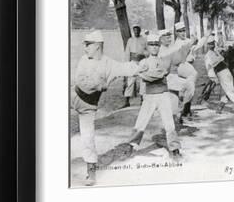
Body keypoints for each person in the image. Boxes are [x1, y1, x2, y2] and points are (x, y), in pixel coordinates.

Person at [72, 30, 140, 186]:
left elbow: (126, 68)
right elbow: (81, 82)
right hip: (73, 97)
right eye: (85, 44)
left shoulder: (109, 63)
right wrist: (101, 85)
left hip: (88, 107)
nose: (85, 48)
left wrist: (141, 66)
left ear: (97, 46)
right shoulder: (84, 59)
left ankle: (91, 172)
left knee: (87, 137)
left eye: (88, 44)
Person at [127, 34, 182, 158]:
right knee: (141, 122)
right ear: (147, 46)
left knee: (169, 123)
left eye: (156, 45)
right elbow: (136, 73)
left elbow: (159, 75)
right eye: (151, 45)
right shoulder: (144, 61)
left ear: (159, 46)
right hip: (150, 96)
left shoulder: (164, 60)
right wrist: (145, 74)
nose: (154, 47)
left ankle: (175, 149)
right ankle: (131, 146)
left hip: (163, 94)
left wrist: (144, 75)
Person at [204, 36, 234, 114]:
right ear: (207, 45)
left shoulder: (216, 52)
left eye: (213, 43)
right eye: (210, 44)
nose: (212, 45)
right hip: (221, 74)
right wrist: (214, 78)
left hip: (227, 72)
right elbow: (209, 69)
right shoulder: (208, 56)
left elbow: (223, 59)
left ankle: (220, 107)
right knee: (232, 91)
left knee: (230, 91)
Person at [123, 24, 148, 106]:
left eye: (137, 30)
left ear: (140, 31)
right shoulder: (130, 40)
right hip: (133, 62)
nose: (136, 32)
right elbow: (127, 52)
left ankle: (142, 100)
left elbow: (148, 51)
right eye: (134, 30)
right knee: (130, 81)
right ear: (133, 31)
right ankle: (127, 101)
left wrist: (143, 54)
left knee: (143, 81)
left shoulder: (144, 40)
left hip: (142, 61)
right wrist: (127, 63)